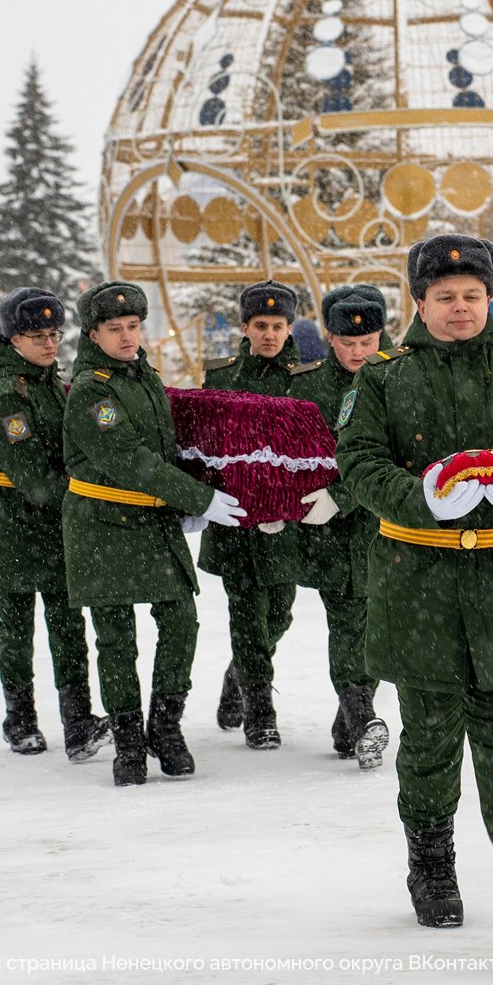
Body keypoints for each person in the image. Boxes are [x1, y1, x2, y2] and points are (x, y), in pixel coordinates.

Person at [336, 233, 493, 951]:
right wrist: (421, 499)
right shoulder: (384, 378)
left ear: (489, 298)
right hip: (419, 585)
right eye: (444, 298)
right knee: (432, 740)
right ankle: (432, 864)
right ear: (419, 302)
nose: (460, 308)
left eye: (472, 296)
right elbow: (357, 461)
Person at [62, 281, 245, 786]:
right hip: (102, 524)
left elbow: (164, 448)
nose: (127, 336)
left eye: (133, 327)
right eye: (115, 329)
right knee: (116, 638)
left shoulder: (143, 374)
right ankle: (127, 744)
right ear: (93, 334)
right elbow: (127, 458)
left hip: (151, 521)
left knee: (181, 620)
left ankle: (165, 727)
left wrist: (195, 489)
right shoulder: (91, 390)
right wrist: (197, 497)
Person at [0, 288, 109, 761]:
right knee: (16, 623)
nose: (50, 345)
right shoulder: (7, 396)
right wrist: (89, 502)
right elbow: (31, 474)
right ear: (12, 340)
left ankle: (78, 722)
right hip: (11, 519)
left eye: (54, 334)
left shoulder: (54, 383)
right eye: (37, 336)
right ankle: (21, 720)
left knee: (68, 620)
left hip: (53, 518)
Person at [287, 283, 391, 769]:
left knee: (372, 626)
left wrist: (345, 495)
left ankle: (349, 720)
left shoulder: (397, 378)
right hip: (326, 531)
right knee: (347, 622)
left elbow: (396, 459)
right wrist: (279, 506)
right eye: (347, 343)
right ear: (330, 339)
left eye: (366, 342)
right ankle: (363, 716)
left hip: (383, 525)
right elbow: (287, 454)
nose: (357, 352)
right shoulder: (306, 386)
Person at [200, 281, 302, 748]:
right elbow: (206, 448)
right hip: (237, 522)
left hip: (287, 524)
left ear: (289, 328)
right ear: (245, 327)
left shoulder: (305, 380)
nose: (269, 335)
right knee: (246, 616)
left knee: (279, 614)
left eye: (278, 326)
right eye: (260, 325)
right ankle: (260, 712)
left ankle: (236, 676)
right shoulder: (221, 379)